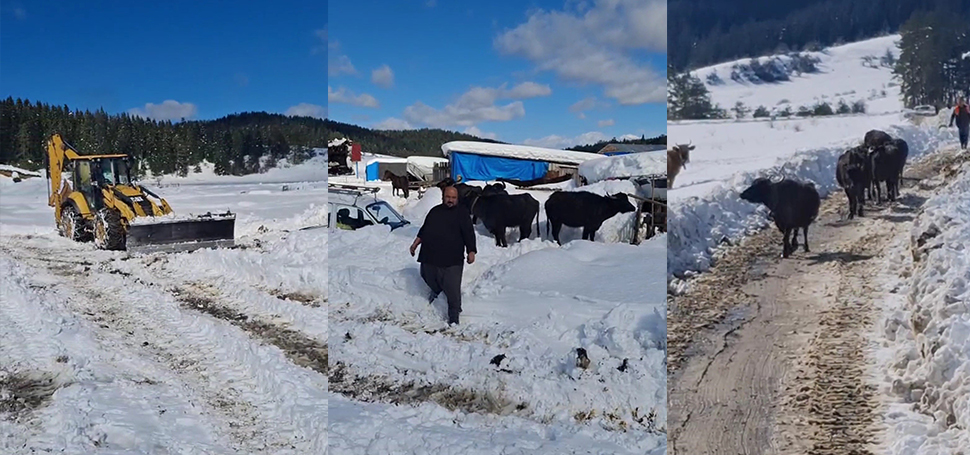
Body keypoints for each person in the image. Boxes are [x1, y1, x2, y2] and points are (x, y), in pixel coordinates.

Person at [409, 186, 476, 325]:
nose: (450, 200)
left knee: (452, 289)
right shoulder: (435, 212)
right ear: (443, 197)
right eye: (448, 197)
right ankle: (438, 293)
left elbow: (469, 234)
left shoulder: (462, 213)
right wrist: (415, 244)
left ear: (457, 199)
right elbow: (424, 230)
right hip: (430, 256)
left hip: (452, 259)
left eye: (453, 198)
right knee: (427, 276)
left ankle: (454, 317)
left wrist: (471, 251)